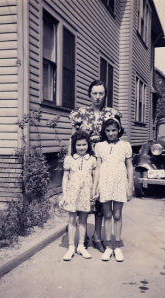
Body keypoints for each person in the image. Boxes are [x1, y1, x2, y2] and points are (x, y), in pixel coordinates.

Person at [68, 80, 116, 253]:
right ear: (89, 94)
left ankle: (97, 237)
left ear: (105, 95)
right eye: (94, 93)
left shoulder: (111, 114)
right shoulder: (80, 114)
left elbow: (114, 137)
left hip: (104, 162)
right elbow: (73, 138)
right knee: (83, 196)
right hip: (84, 161)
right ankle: (83, 238)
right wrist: (70, 159)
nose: (98, 97)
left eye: (101, 93)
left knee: (100, 198)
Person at [93, 110, 133, 262]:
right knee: (107, 215)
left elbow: (129, 167)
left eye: (114, 130)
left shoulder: (125, 145)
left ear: (119, 130)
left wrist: (130, 186)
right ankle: (108, 246)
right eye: (108, 130)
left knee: (117, 215)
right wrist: (95, 186)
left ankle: (117, 246)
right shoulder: (99, 146)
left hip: (119, 183)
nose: (111, 133)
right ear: (104, 131)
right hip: (104, 183)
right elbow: (97, 168)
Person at [59, 130, 96, 261]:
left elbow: (94, 176)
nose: (81, 147)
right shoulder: (69, 159)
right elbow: (65, 177)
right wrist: (64, 195)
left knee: (83, 220)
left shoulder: (92, 159)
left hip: (86, 192)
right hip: (72, 192)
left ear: (88, 145)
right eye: (79, 145)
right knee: (72, 219)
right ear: (74, 145)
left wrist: (94, 191)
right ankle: (71, 247)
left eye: (84, 145)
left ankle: (81, 246)